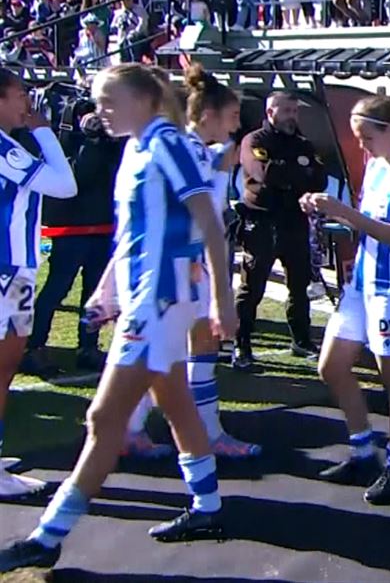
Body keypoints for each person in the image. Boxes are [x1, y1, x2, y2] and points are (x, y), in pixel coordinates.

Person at [0, 64, 236, 573]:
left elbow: (209, 225)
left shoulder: (168, 144)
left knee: (103, 419)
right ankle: (208, 507)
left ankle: (49, 535)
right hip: (145, 301)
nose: (99, 112)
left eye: (108, 101)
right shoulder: (136, 148)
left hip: (160, 302)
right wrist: (110, 290)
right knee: (175, 403)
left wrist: (223, 300)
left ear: (144, 100)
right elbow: (134, 233)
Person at [124, 65, 262, 460]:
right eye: (233, 117)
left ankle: (137, 428)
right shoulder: (187, 152)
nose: (238, 127)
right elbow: (201, 218)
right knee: (174, 350)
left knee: (177, 351)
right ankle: (194, 432)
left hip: (187, 265)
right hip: (184, 266)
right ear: (207, 116)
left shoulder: (200, 152)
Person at [302, 96, 390, 505]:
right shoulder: (376, 168)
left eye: (367, 136)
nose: (362, 146)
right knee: (331, 366)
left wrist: (343, 213)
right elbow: (367, 225)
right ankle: (362, 449)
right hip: (362, 283)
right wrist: (325, 210)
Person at [0, 68, 79, 498]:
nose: (26, 104)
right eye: (19, 95)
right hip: (6, 268)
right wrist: (46, 133)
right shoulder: (4, 148)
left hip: (13, 267)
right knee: (2, 366)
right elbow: (64, 185)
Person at [25, 99, 122, 376]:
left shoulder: (112, 143)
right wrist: (90, 139)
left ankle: (88, 346)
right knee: (57, 289)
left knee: (94, 291)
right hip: (72, 229)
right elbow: (78, 178)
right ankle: (34, 346)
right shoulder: (68, 142)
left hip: (103, 226)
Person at [234, 91, 327, 368]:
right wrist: (298, 174)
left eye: (295, 111)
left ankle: (301, 339)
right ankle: (242, 344)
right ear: (271, 112)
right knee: (252, 287)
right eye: (287, 111)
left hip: (294, 222)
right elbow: (265, 174)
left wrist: (291, 173)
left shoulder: (302, 143)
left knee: (299, 285)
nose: (292, 117)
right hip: (262, 222)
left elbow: (319, 179)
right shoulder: (255, 140)